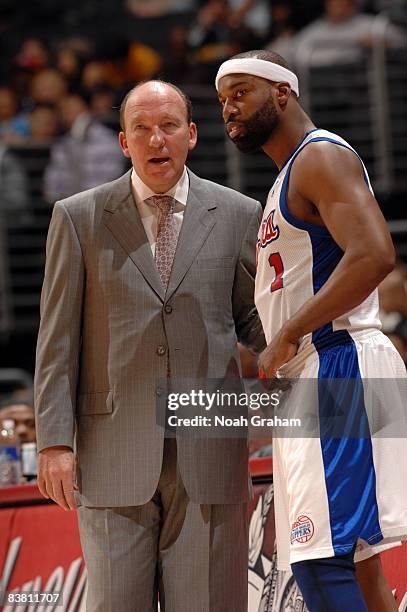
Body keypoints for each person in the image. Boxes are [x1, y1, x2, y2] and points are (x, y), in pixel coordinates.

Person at [34, 79, 265, 611]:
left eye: (167, 127)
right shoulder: (78, 217)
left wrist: (311, 352)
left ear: (191, 134)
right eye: (141, 129)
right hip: (111, 451)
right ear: (123, 142)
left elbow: (253, 318)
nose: (156, 140)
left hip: (210, 449)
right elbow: (56, 340)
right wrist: (53, 443)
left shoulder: (237, 213)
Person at [216, 50, 407, 612]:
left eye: (242, 92)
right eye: (224, 99)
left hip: (336, 365)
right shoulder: (285, 179)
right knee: (356, 561)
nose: (231, 108)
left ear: (283, 92)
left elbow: (375, 254)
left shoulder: (319, 157)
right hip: (317, 375)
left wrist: (291, 331)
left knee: (318, 562)